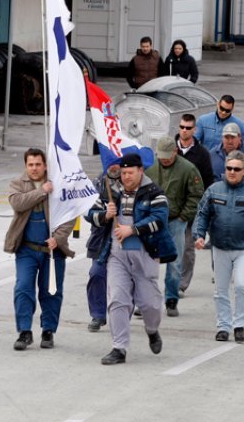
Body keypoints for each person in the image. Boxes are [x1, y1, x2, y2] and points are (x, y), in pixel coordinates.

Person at [88, 153, 169, 366]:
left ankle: (152, 330)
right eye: (123, 173)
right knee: (117, 299)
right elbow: (90, 214)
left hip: (144, 254)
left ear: (140, 171)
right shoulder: (111, 192)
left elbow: (160, 219)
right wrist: (106, 214)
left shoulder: (154, 193)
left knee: (150, 304)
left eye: (130, 173)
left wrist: (132, 229)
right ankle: (119, 348)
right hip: (117, 256)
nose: (126, 177)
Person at [192, 151, 244, 343]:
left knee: (243, 286)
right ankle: (223, 326)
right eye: (229, 168)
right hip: (219, 248)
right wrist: (199, 235)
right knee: (220, 290)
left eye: (237, 169)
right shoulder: (214, 190)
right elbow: (202, 214)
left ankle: (239, 325)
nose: (232, 172)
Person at [5, 148, 75, 351]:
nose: (34, 168)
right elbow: (18, 203)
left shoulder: (59, 184)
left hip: (53, 250)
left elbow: (69, 214)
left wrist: (58, 238)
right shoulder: (18, 184)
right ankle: (24, 332)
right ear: (26, 166)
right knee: (23, 288)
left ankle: (48, 330)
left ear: (45, 165)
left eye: (38, 164)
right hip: (26, 249)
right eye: (30, 164)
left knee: (51, 291)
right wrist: (42, 191)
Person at [145, 136, 204, 318]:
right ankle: (146, 300)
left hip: (176, 221)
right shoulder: (151, 169)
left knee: (175, 263)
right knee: (146, 262)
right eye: (161, 156)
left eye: (167, 157)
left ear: (175, 152)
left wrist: (183, 217)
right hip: (153, 220)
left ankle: (171, 300)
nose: (164, 160)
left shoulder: (188, 169)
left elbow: (196, 195)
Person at [85, 164, 123, 333]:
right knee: (96, 273)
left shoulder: (131, 180)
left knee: (126, 281)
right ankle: (98, 314)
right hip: (102, 240)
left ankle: (122, 317)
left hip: (126, 240)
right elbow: (87, 211)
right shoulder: (98, 183)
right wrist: (105, 215)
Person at [175, 113, 214, 189]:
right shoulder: (169, 148)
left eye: (188, 128)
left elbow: (208, 181)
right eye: (182, 127)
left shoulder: (203, 154)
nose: (184, 130)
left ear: (194, 129)